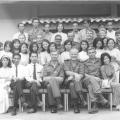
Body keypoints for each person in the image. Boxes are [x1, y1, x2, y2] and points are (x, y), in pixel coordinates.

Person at [83, 47, 108, 114]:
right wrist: (93, 78)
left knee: (91, 86)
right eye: (90, 53)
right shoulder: (85, 62)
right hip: (87, 79)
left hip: (98, 80)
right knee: (91, 80)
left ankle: (94, 105)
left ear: (95, 53)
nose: (91, 54)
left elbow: (106, 67)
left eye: (93, 52)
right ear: (87, 54)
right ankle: (101, 97)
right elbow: (84, 74)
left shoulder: (100, 61)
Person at [64, 48, 87, 113]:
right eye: (72, 54)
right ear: (69, 54)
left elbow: (82, 74)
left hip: (78, 81)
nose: (73, 55)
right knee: (72, 83)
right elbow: (67, 72)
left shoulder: (81, 63)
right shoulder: (66, 62)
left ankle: (76, 105)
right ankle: (81, 98)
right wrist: (75, 74)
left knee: (72, 84)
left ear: (78, 55)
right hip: (67, 81)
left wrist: (78, 76)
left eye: (75, 54)